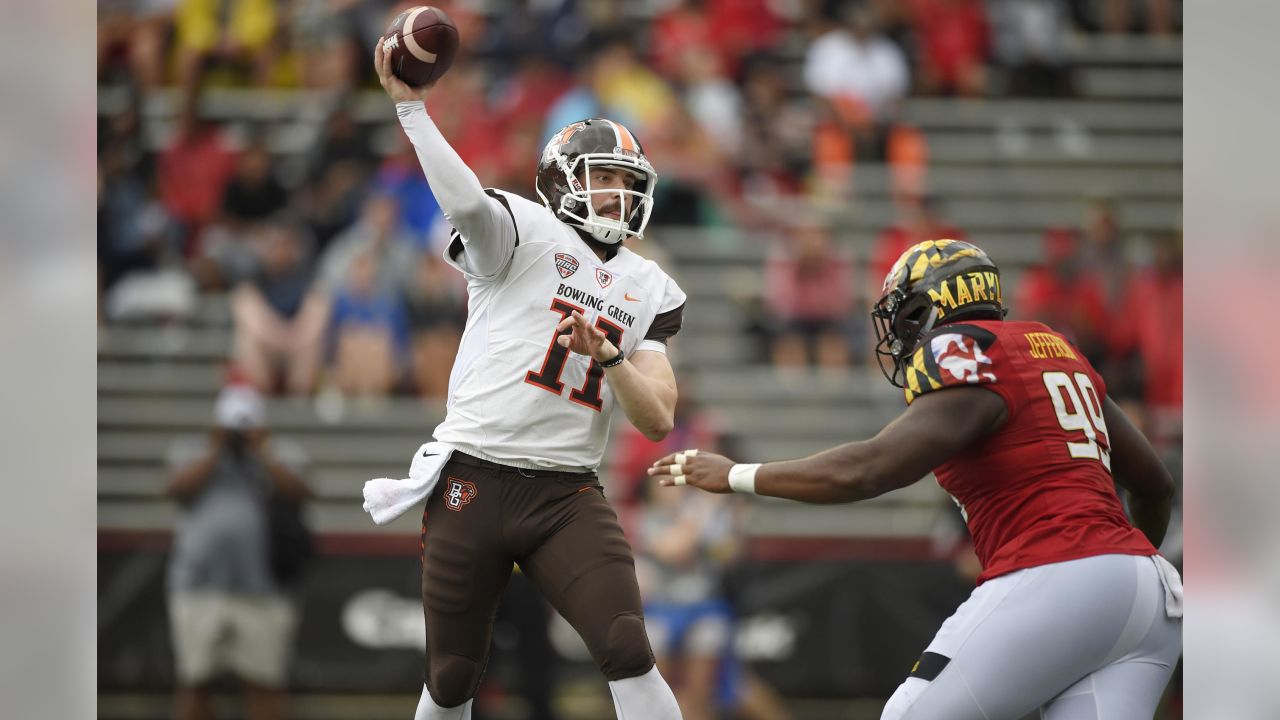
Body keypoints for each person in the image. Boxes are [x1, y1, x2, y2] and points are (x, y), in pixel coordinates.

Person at [650, 239, 1182, 719]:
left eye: (904, 316)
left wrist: (738, 475)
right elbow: (1154, 483)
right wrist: (1116, 569)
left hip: (1057, 570)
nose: (900, 333)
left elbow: (869, 469)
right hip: (1150, 594)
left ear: (929, 310)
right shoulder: (1052, 347)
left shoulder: (961, 351)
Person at [364, 36, 688, 720]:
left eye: (629, 182)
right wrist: (413, 112)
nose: (620, 192)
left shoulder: (648, 286)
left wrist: (610, 357)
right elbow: (468, 207)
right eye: (605, 177)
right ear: (563, 180)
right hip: (474, 478)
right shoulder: (524, 230)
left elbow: (657, 417)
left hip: (567, 490)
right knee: (452, 676)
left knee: (627, 644)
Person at [165, 384, 311, 720]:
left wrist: (261, 452)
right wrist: (217, 450)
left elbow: (301, 491)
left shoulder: (279, 455)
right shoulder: (194, 452)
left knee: (264, 682)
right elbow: (175, 488)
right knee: (194, 680)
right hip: (198, 586)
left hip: (263, 589)